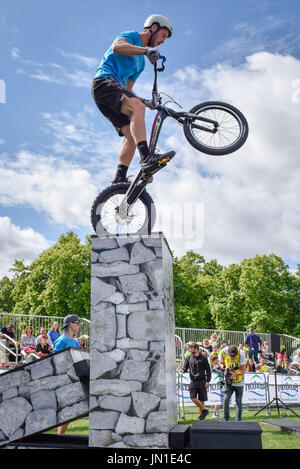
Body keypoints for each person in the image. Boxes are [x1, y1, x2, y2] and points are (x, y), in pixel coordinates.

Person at [91, 14, 175, 184]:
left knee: (130, 135)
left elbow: (128, 90)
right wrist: (145, 50)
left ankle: (119, 179)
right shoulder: (132, 36)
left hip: (111, 92)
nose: (163, 41)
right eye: (163, 36)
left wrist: (146, 102)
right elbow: (117, 47)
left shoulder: (141, 64)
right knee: (137, 108)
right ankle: (147, 159)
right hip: (104, 82)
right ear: (153, 28)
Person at [53, 314, 82, 434]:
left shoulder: (75, 342)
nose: (79, 325)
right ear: (70, 324)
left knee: (68, 415)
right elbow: (55, 361)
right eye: (77, 323)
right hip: (63, 381)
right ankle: (58, 438)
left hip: (74, 380)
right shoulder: (61, 341)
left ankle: (59, 438)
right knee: (65, 414)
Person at [178, 342, 211, 420]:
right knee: (193, 397)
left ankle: (201, 418)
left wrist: (207, 381)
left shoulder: (203, 358)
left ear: (196, 348)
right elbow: (185, 367)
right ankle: (205, 409)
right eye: (189, 348)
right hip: (193, 381)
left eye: (191, 348)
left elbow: (208, 370)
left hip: (202, 381)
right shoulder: (189, 358)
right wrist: (182, 370)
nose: (189, 349)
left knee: (201, 400)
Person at [219, 345, 247, 422]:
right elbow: (220, 363)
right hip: (228, 382)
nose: (233, 358)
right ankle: (226, 419)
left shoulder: (241, 353)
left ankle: (238, 420)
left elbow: (244, 370)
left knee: (238, 401)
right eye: (231, 357)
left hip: (239, 382)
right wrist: (225, 368)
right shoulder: (223, 352)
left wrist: (235, 374)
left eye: (234, 357)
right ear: (228, 353)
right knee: (225, 400)